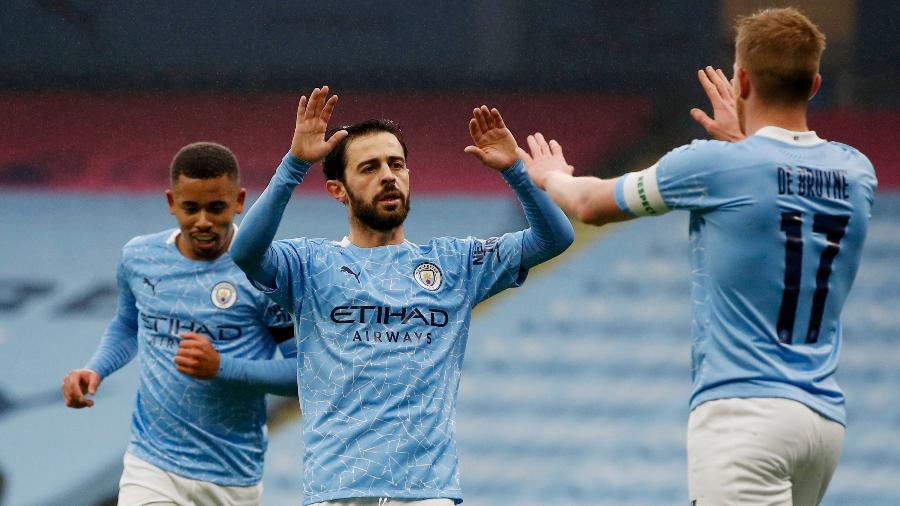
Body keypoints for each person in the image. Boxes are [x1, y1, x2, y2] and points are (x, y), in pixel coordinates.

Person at [519, 8, 876, 506]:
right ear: (814, 84)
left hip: (743, 416)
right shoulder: (856, 172)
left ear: (743, 80)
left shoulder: (713, 165)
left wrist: (548, 175)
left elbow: (589, 205)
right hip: (822, 422)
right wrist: (747, 140)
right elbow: (782, 183)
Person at [230, 86, 574, 505]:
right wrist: (296, 164)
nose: (389, 175)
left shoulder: (455, 264)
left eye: (397, 164)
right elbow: (245, 251)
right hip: (337, 490)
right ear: (339, 190)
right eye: (370, 168)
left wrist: (516, 172)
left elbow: (554, 238)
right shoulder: (309, 264)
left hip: (425, 493)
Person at [61, 142, 298, 506]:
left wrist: (222, 368)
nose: (203, 220)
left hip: (231, 475)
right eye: (191, 208)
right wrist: (96, 369)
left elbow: (302, 375)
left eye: (216, 207)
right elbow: (127, 325)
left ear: (239, 201)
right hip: (151, 465)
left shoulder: (265, 274)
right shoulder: (139, 258)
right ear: (172, 203)